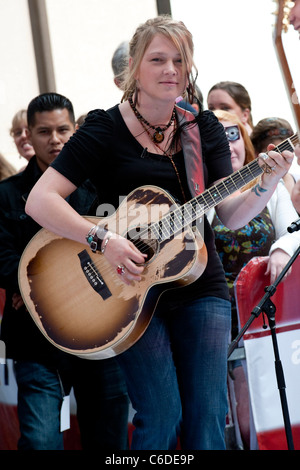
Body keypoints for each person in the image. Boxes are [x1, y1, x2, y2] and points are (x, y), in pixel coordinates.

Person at [25, 16, 293, 450]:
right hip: (129, 287)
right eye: (158, 59)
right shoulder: (103, 128)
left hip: (198, 281)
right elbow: (40, 200)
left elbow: (228, 213)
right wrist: (103, 240)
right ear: (134, 66)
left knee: (208, 416)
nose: (171, 69)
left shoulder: (200, 127)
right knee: (162, 414)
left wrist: (265, 183)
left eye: (180, 60)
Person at [0, 92, 129, 450]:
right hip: (35, 341)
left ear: (75, 130)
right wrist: (45, 291)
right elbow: (4, 260)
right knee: (41, 442)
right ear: (28, 134)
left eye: (62, 130)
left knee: (110, 443)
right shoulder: (6, 196)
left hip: (102, 335)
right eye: (44, 132)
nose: (54, 139)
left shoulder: (103, 187)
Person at [208, 109, 300, 449]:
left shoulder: (269, 184)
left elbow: (293, 230)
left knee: (265, 397)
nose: (228, 147)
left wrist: (279, 250)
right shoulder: (202, 193)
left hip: (264, 309)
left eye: (233, 137)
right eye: (218, 140)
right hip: (217, 313)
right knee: (226, 406)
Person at [251, 116, 299, 196]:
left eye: (286, 153)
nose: (282, 160)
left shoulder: (298, 181)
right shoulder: (252, 194)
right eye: (274, 156)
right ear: (256, 154)